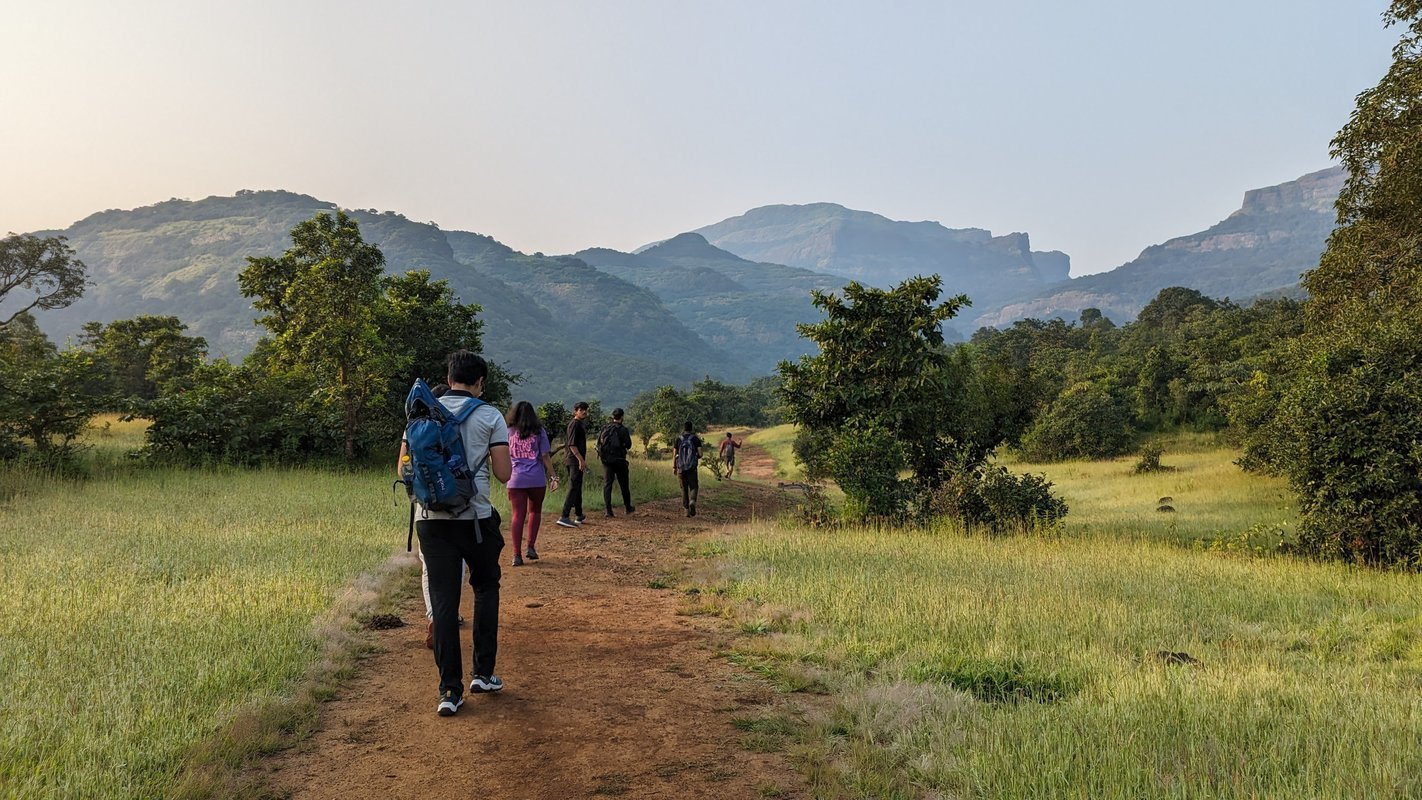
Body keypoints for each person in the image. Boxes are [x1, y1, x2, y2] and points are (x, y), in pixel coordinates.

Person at [408, 350, 512, 717]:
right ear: (480, 382)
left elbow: (404, 468)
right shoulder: (489, 415)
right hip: (475, 520)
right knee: (485, 588)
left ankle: (449, 691)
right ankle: (483, 673)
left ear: (449, 377)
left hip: (430, 521)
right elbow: (503, 474)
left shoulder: (421, 412)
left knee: (444, 604)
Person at [397, 383, 468, 649]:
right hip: (459, 508)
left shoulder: (412, 426)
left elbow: (402, 467)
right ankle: (451, 614)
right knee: (459, 562)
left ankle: (433, 617)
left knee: (429, 568)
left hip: (425, 512)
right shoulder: (454, 423)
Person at [505, 401, 559, 566]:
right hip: (536, 478)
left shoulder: (508, 431)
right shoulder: (539, 431)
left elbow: (502, 455)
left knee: (517, 516)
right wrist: (554, 477)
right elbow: (545, 457)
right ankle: (530, 547)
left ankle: (516, 555)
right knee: (535, 511)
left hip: (515, 479)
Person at [556, 401, 590, 528]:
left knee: (577, 486)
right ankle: (564, 516)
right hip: (573, 460)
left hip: (574, 460)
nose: (584, 411)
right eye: (581, 409)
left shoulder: (579, 424)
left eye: (585, 409)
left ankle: (579, 514)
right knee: (573, 487)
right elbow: (572, 445)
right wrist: (581, 460)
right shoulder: (574, 425)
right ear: (576, 411)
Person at [598, 407, 634, 517]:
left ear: (612, 417)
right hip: (619, 461)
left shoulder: (605, 428)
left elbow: (599, 443)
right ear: (622, 417)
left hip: (606, 461)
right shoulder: (623, 429)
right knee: (624, 485)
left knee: (607, 484)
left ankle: (608, 511)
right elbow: (628, 445)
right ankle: (628, 508)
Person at [672, 421, 703, 517]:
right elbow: (701, 454)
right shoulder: (695, 439)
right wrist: (695, 456)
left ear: (684, 428)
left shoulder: (678, 439)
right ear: (691, 428)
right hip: (692, 468)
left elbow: (674, 454)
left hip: (681, 468)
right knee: (693, 486)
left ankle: (686, 510)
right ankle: (692, 501)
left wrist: (674, 467)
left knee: (684, 489)